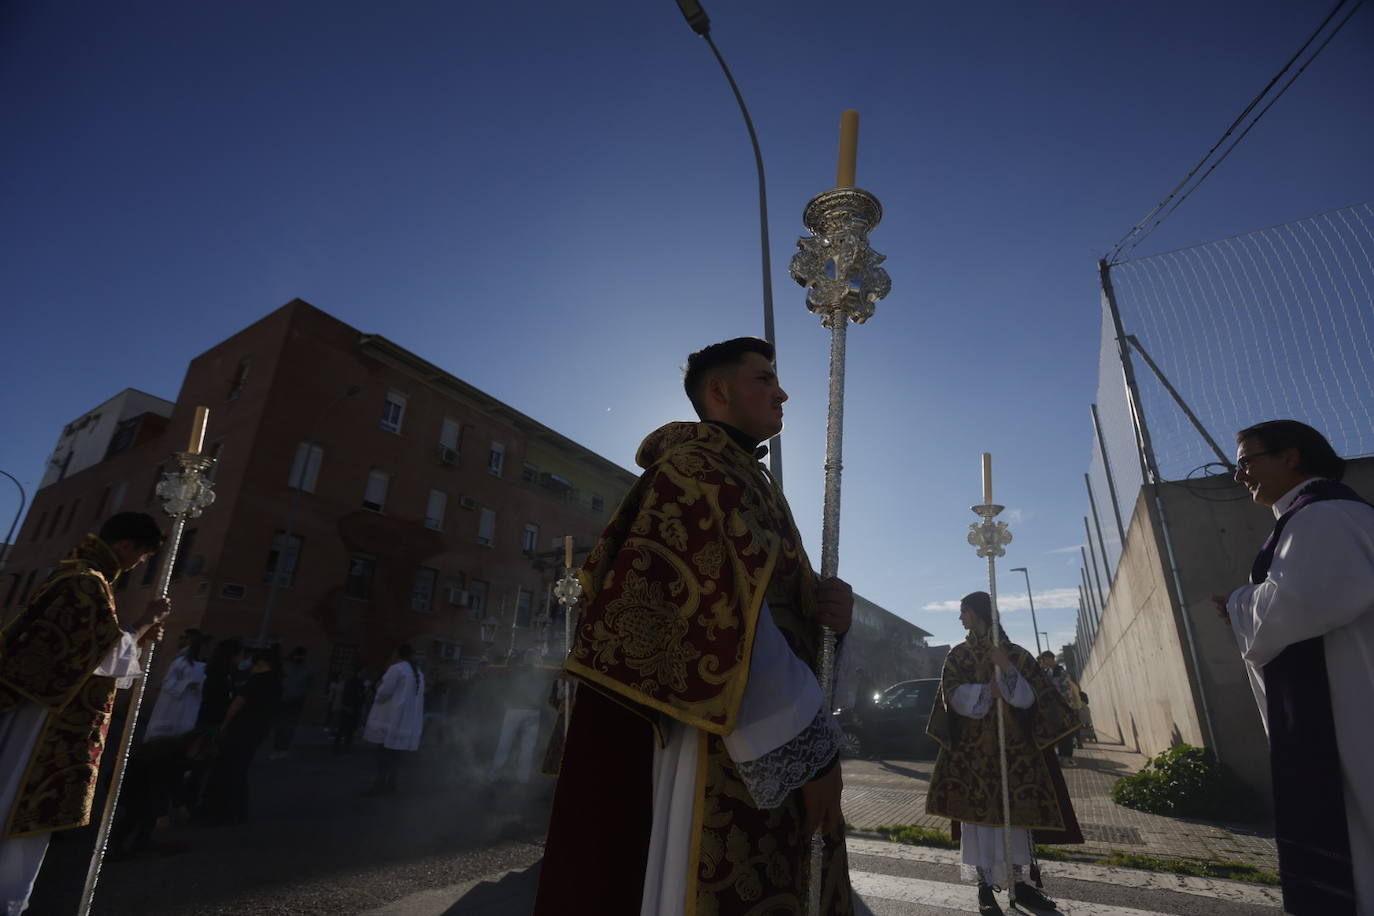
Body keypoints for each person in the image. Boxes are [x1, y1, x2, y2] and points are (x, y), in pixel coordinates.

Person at [535, 337, 855, 916]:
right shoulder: (696, 474)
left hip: (762, 730)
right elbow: (732, 629)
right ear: (719, 391)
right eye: (764, 379)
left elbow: (779, 609)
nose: (782, 393)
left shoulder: (748, 479)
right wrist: (813, 758)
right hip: (719, 737)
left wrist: (829, 611)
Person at [1212, 420, 1373, 915]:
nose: (1239, 476)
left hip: (1351, 706)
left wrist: (1239, 603)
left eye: (1245, 461)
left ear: (1291, 457)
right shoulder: (1310, 516)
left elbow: (1305, 601)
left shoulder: (1322, 518)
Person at [0, 511, 170, 913]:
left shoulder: (80, 576)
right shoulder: (86, 583)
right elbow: (90, 653)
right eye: (143, 556)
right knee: (15, 806)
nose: (139, 563)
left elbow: (91, 647)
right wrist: (144, 624)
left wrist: (138, 637)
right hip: (40, 718)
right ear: (125, 545)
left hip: (40, 708)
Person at [926, 592, 1082, 916]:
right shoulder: (958, 655)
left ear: (978, 613)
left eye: (963, 611)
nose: (960, 619)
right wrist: (985, 692)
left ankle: (1021, 885)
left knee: (1016, 821)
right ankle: (985, 888)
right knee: (978, 821)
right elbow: (950, 697)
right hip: (974, 756)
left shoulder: (1014, 654)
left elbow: (1031, 699)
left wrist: (1006, 669)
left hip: (1013, 754)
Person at [199, 646, 281, 823]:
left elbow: (238, 703)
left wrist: (224, 725)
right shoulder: (277, 682)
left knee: (226, 768)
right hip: (257, 731)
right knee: (239, 769)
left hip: (241, 729)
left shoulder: (256, 681)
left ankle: (218, 810)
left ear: (260, 664)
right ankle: (236, 811)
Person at [361, 645, 425, 796]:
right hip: (405, 721)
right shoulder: (418, 673)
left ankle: (379, 784)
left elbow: (385, 692)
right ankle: (391, 783)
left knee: (383, 754)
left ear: (398, 655)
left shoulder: (397, 669)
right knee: (396, 755)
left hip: (391, 718)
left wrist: (377, 689)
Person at [144, 628, 208, 740]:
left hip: (189, 706)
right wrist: (185, 684)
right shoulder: (182, 661)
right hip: (171, 704)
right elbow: (168, 681)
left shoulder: (204, 666)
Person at [269, 646, 313, 759]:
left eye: (301, 656)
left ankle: (283, 749)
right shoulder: (285, 665)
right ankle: (277, 749)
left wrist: (303, 694)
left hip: (296, 701)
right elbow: (276, 680)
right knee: (280, 726)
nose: (299, 657)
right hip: (283, 700)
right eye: (298, 655)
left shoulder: (307, 668)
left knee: (290, 726)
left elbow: (310, 685)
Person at [1037, 651, 1081, 762]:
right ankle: (1062, 754)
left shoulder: (1061, 671)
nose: (1042, 662)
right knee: (1059, 732)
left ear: (1049, 658)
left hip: (1063, 706)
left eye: (1044, 659)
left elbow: (1066, 691)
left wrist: (1065, 705)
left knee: (1066, 732)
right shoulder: (1048, 672)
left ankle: (1067, 756)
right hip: (1054, 707)